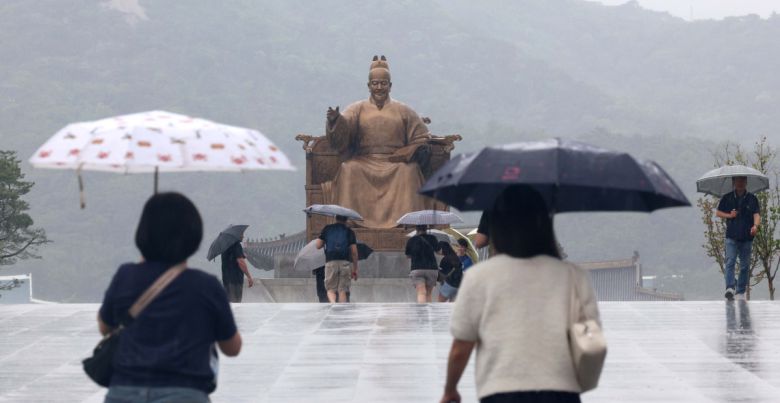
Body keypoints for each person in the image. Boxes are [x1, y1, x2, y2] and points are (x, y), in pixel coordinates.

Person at [440, 186, 600, 403]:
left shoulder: (480, 277)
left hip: (501, 389)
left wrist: (450, 389)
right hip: (560, 390)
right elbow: (591, 340)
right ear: (544, 225)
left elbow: (462, 346)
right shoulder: (572, 276)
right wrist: (582, 382)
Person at [98, 193, 242, 403]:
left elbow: (105, 327)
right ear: (193, 236)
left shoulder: (125, 275)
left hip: (125, 391)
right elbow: (232, 348)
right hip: (185, 392)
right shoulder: (206, 285)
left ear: (143, 234)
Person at [323, 55, 434, 228]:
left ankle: (409, 223)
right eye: (375, 83)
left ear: (390, 86)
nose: (379, 87)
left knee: (409, 171)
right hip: (364, 160)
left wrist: (411, 150)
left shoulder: (403, 110)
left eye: (383, 83)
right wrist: (335, 121)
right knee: (348, 169)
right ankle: (348, 222)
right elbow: (343, 131)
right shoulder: (356, 108)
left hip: (395, 162)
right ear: (368, 86)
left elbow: (421, 137)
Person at [716, 176, 761, 300]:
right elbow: (718, 213)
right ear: (733, 182)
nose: (740, 183)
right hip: (731, 236)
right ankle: (729, 288)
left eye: (742, 181)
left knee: (745, 266)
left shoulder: (752, 198)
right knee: (730, 262)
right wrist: (729, 215)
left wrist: (755, 226)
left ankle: (740, 291)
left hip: (747, 237)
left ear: (746, 182)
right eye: (737, 181)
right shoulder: (727, 197)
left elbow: (756, 214)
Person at [316, 215, 358, 303]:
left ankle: (333, 304)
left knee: (331, 289)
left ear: (336, 218)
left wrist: (323, 239)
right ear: (346, 220)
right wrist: (355, 269)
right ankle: (341, 310)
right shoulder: (349, 231)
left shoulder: (327, 229)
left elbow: (318, 245)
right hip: (344, 262)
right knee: (342, 290)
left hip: (331, 262)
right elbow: (354, 252)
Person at [405, 225, 441, 303]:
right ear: (426, 229)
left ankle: (422, 313)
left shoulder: (411, 240)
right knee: (428, 294)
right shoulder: (432, 238)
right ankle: (428, 313)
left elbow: (408, 256)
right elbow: (438, 251)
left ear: (416, 230)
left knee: (421, 293)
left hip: (417, 268)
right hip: (431, 268)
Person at [221, 236, 253, 303]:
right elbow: (241, 262)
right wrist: (249, 276)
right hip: (235, 280)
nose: (243, 236)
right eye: (242, 234)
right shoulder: (236, 245)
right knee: (236, 303)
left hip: (226, 280)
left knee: (229, 303)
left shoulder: (224, 246)